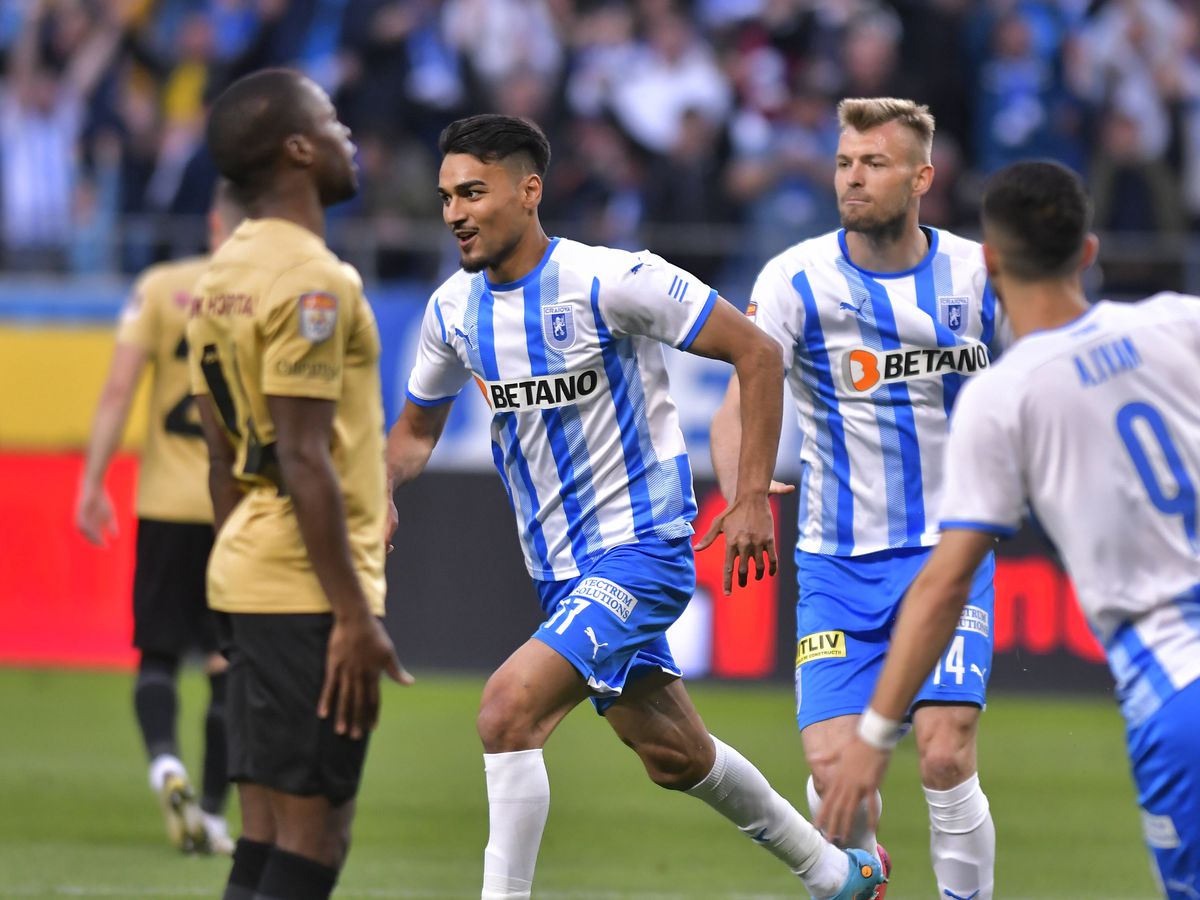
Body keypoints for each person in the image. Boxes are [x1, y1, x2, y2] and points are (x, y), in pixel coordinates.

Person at [387, 113, 886, 900]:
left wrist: (749, 494)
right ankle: (836, 876)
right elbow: (415, 433)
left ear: (529, 191)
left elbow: (757, 352)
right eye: (448, 196)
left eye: (473, 193)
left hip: (642, 550)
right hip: (560, 571)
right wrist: (380, 490)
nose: (454, 212)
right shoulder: (452, 311)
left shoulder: (611, 279)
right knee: (675, 757)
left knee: (506, 710)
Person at [818, 160, 1200, 897]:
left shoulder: (1002, 398)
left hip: (1177, 688)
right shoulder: (1179, 322)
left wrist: (874, 735)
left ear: (989, 262)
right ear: (1088, 252)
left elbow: (945, 584)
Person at [711, 98, 1001, 900]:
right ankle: (865, 876)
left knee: (944, 751)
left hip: (949, 551)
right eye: (844, 162)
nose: (853, 177)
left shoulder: (980, 275)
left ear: (922, 178)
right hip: (837, 563)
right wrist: (744, 492)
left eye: (874, 163)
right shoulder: (795, 278)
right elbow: (737, 402)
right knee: (836, 778)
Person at [188, 68, 411, 900]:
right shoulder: (316, 280)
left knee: (265, 832)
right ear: (297, 150)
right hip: (304, 592)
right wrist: (352, 614)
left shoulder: (220, 277)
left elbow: (222, 459)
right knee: (316, 838)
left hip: (248, 571)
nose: (346, 136)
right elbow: (306, 457)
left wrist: (234, 580)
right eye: (331, 122)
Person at [75, 181, 244, 855]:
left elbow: (119, 390)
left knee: (158, 653)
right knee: (227, 662)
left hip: (166, 505)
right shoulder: (267, 294)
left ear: (212, 222)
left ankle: (164, 764)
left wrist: (92, 482)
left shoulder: (161, 286)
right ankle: (212, 815)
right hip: (236, 508)